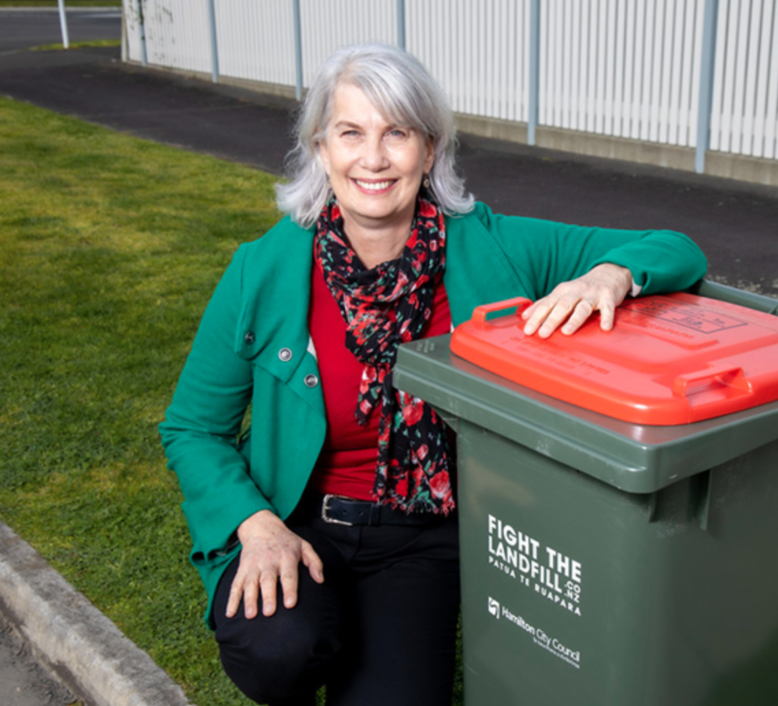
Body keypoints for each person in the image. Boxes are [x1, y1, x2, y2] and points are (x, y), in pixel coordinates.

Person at [160, 43, 707, 706]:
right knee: (279, 650)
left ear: (430, 148)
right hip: (300, 520)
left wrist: (608, 275)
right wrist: (253, 523)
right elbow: (193, 428)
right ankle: (313, 643)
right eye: (351, 133)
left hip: (422, 536)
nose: (374, 158)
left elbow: (675, 246)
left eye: (397, 133)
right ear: (320, 149)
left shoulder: (492, 246)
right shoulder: (264, 269)